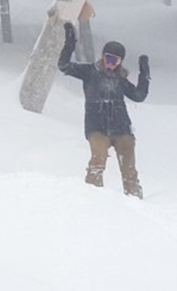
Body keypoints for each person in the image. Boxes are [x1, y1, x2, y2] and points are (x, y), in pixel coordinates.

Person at [58, 23, 150, 197]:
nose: (110, 64)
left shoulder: (121, 79)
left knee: (129, 169)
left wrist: (144, 73)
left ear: (120, 62)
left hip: (122, 128)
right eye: (107, 59)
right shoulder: (89, 72)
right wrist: (70, 43)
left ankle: (135, 198)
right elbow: (64, 66)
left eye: (114, 61)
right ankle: (93, 196)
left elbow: (138, 96)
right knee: (97, 161)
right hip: (97, 128)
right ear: (102, 57)